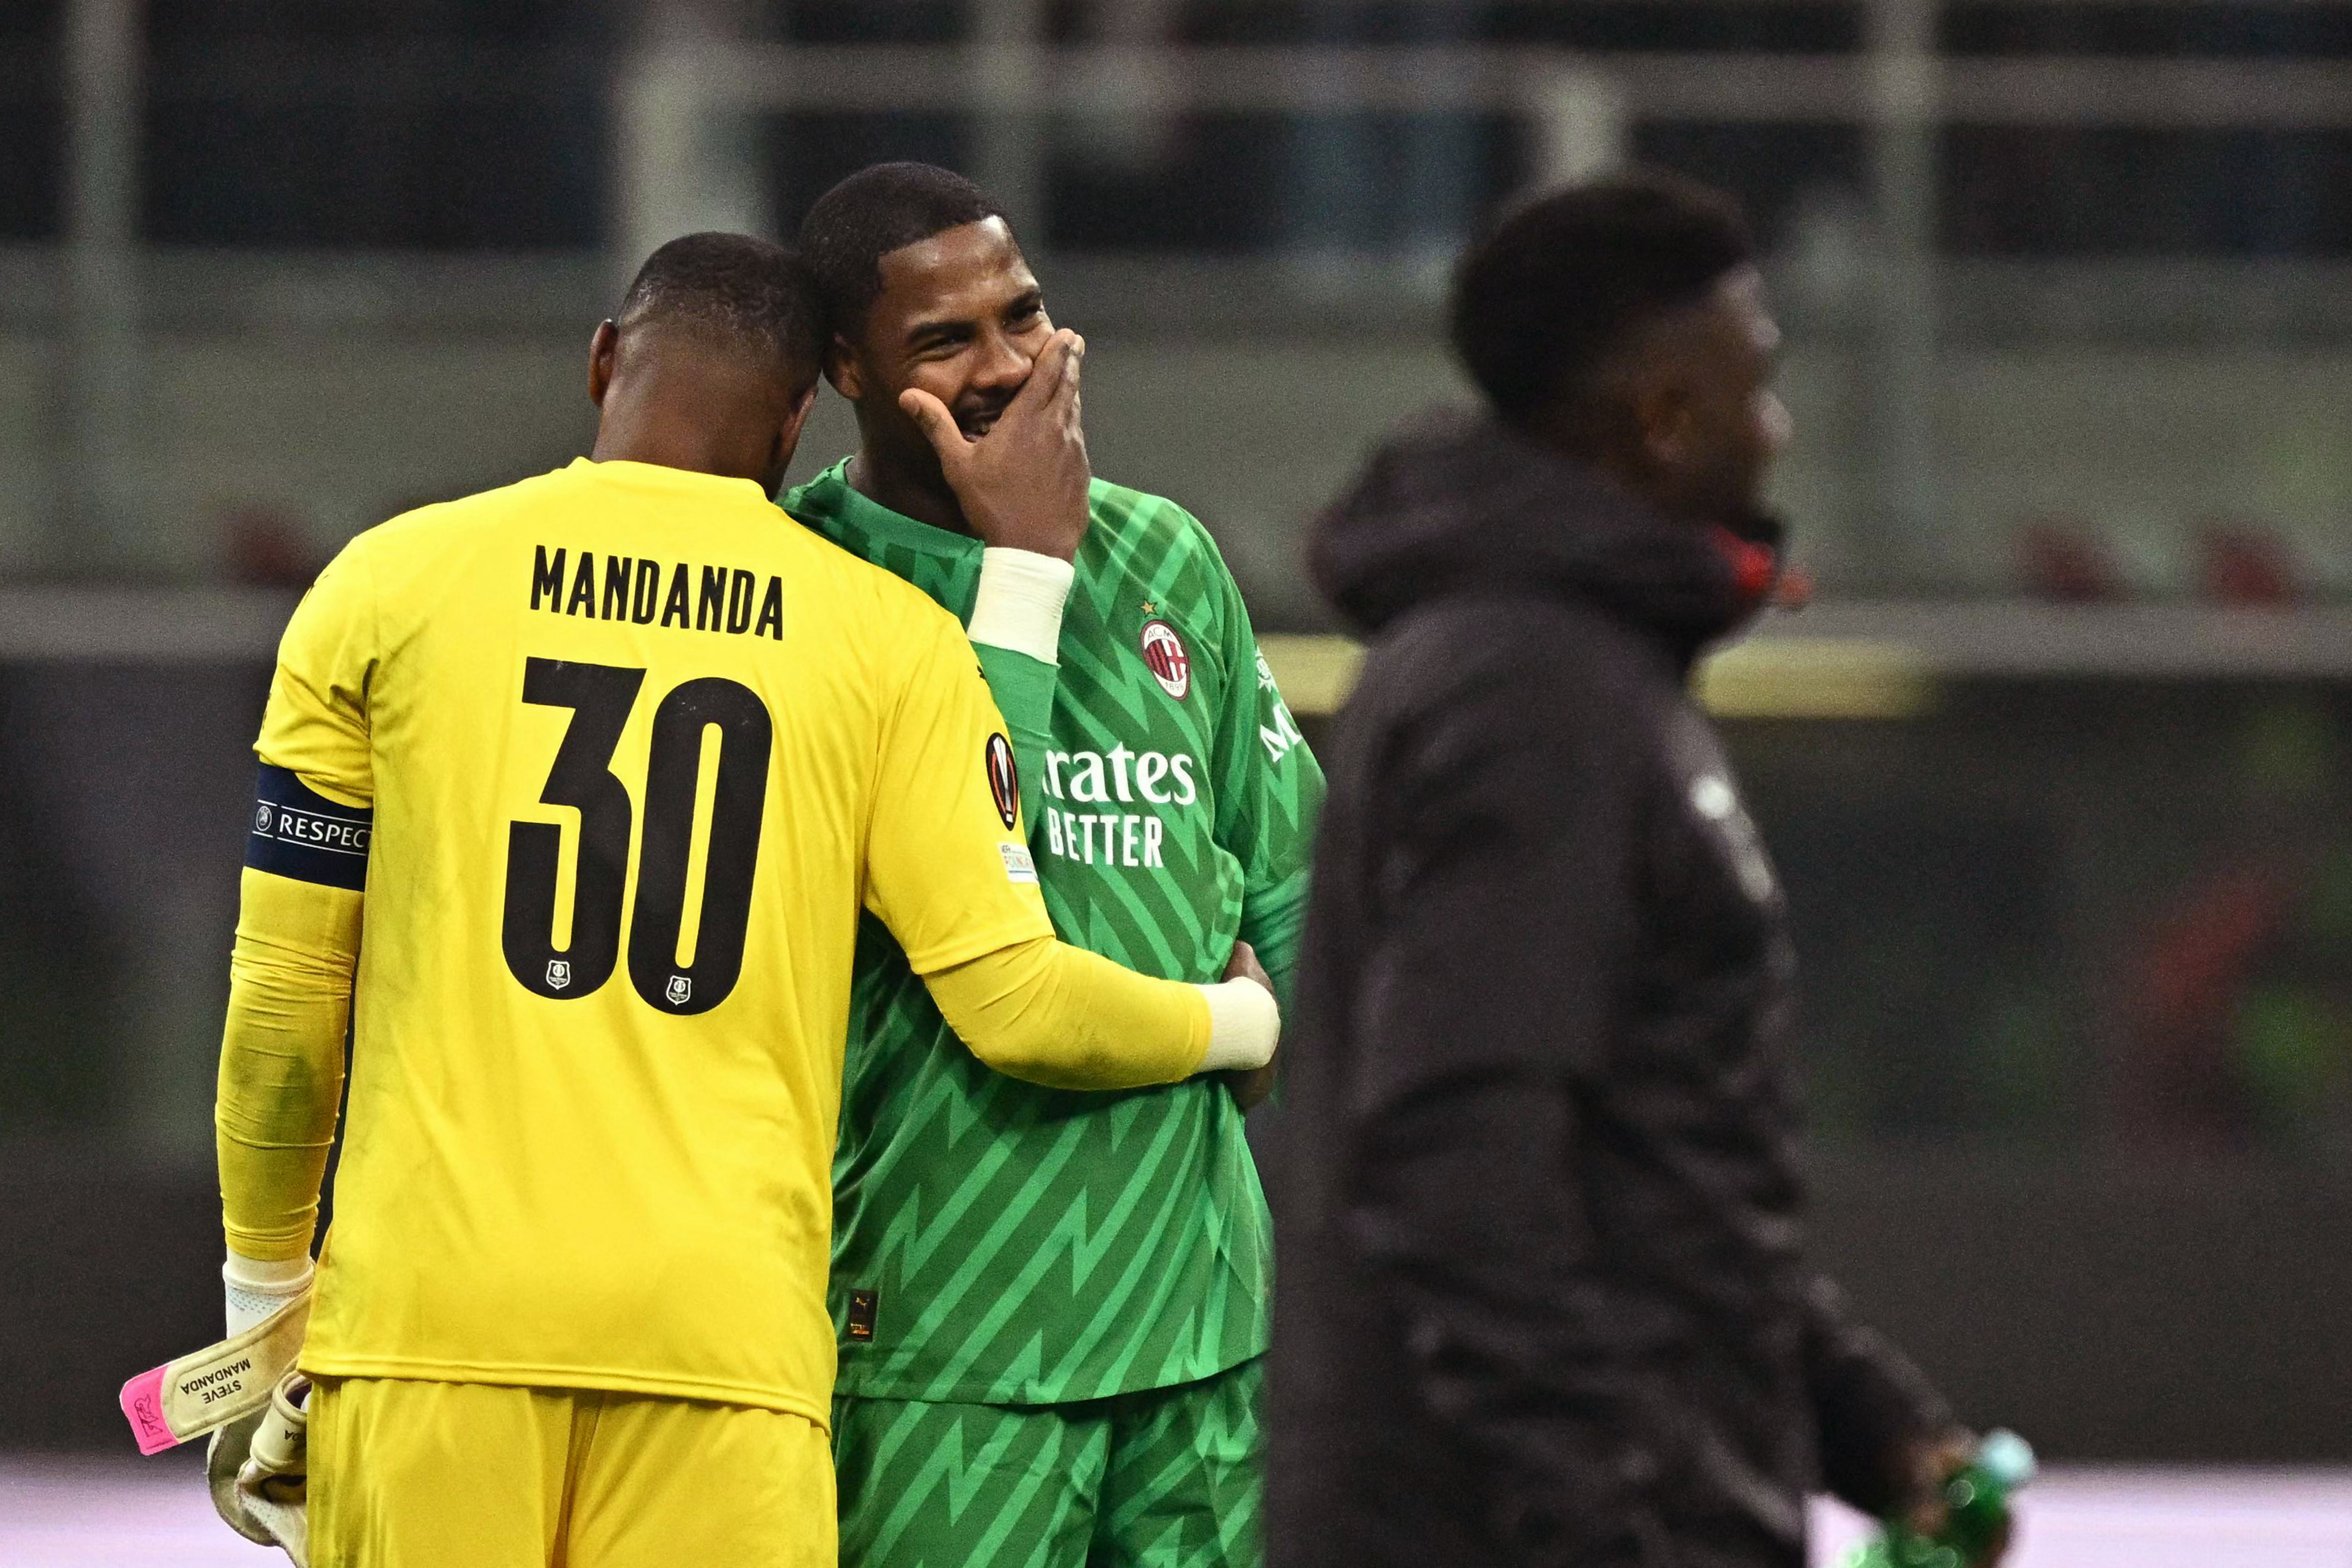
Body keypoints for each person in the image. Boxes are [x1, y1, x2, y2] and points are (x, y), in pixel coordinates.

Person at [202, 231, 1279, 1568]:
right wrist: (1241, 1019)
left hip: (432, 1331)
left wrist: (263, 1306)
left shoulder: (387, 585)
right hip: (731, 1354)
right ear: (794, 426)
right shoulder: (888, 638)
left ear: (604, 359)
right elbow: (1017, 1002)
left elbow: (284, 1010)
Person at [1266, 175, 1998, 1568]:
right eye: (1758, 386)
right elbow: (1460, 1166)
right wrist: (1620, 1520)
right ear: (1664, 417)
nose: (1778, 431)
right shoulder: (1533, 692)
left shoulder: (1566, 670)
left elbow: (1651, 1177)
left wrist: (1870, 1426)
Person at [786, 162, 1325, 1568]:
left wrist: (1294, 1039)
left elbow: (1300, 899)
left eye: (1021, 314)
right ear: (845, 366)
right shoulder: (804, 584)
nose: (1006, 365)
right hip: (942, 1344)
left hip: (1207, 1337)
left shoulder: (1167, 557)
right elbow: (961, 872)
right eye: (944, 340)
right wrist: (1025, 556)